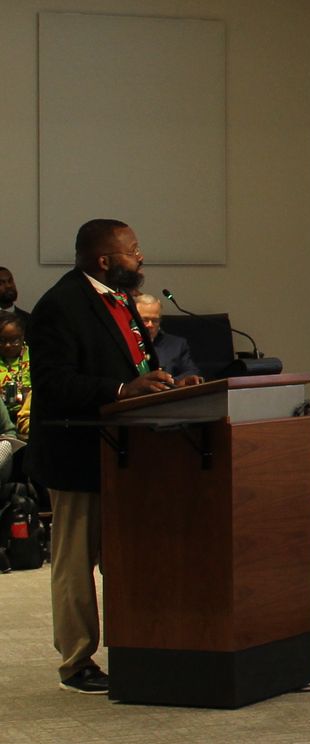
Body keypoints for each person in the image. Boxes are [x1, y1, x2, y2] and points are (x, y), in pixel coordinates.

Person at [30, 219, 199, 694]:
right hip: (78, 452)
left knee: (127, 555)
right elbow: (54, 383)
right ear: (105, 260)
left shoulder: (120, 301)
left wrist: (165, 381)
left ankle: (137, 642)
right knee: (75, 562)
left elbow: (136, 365)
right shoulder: (60, 306)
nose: (140, 257)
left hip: (130, 452)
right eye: (132, 250)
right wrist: (125, 389)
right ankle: (76, 660)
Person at [134, 293, 200, 381]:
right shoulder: (125, 344)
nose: (150, 325)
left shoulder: (177, 344)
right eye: (145, 320)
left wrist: (169, 381)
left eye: (155, 320)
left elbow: (193, 372)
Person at [0, 314, 28, 436]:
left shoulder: (35, 357)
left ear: (22, 337)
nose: (8, 345)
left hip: (28, 418)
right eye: (2, 340)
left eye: (14, 341)